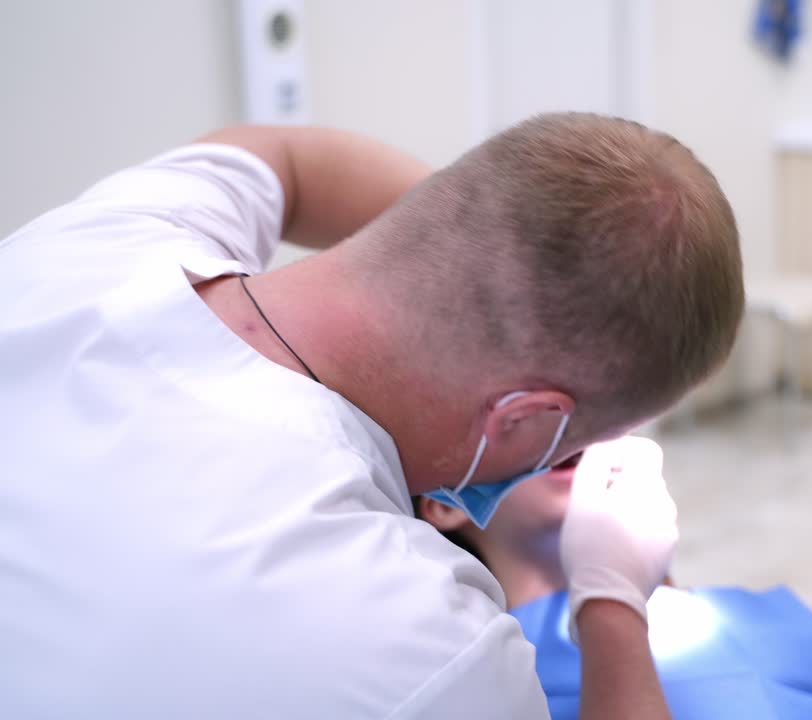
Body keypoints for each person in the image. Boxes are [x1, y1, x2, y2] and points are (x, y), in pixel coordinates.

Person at [0, 113, 744, 719]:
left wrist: (502, 248)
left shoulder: (99, 244)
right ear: (524, 419)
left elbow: (284, 155)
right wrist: (613, 604)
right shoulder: (430, 653)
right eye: (571, 445)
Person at [418, 439, 812, 720]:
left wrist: (651, 584)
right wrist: (611, 604)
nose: (563, 431)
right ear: (446, 502)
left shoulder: (749, 619)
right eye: (516, 422)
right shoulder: (485, 678)